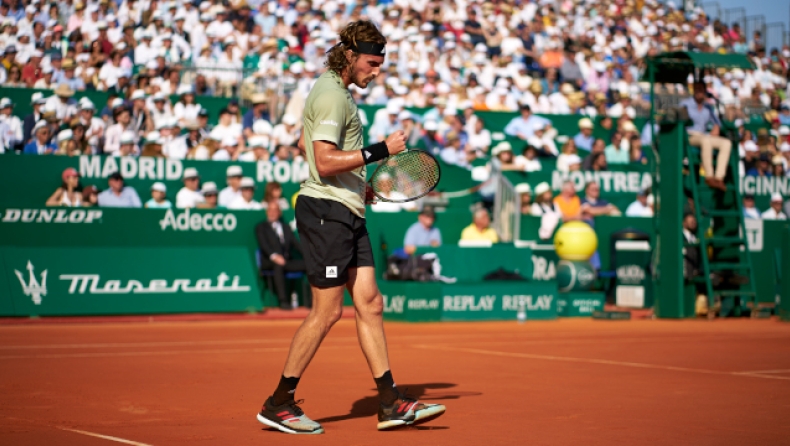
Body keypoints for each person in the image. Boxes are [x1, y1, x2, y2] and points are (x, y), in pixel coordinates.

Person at [257, 20, 444, 436]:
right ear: (349, 56)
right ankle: (279, 403)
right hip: (327, 212)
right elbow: (324, 161)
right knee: (327, 312)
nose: (376, 72)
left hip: (347, 207)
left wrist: (359, 186)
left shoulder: (339, 93)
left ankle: (390, 402)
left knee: (370, 303)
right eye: (372, 64)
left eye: (380, 64)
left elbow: (320, 153)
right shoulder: (331, 95)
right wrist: (381, 150)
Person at [681, 81, 731, 191]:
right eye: (697, 89)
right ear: (693, 90)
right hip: (690, 135)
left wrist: (716, 127)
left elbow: (717, 122)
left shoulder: (708, 106)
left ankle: (719, 178)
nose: (699, 92)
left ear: (704, 91)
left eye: (701, 89)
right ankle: (709, 176)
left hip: (704, 135)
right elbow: (680, 119)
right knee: (706, 141)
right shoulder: (686, 104)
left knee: (726, 143)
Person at [255, 200, 305, 309]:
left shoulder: (286, 227)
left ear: (279, 212)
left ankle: (312, 302)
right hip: (269, 262)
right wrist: (274, 256)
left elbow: (296, 244)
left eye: (275, 210)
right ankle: (283, 301)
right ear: (267, 212)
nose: (272, 213)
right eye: (270, 210)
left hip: (286, 261)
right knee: (278, 266)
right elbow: (264, 245)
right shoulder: (261, 227)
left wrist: (309, 257)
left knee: (309, 265)